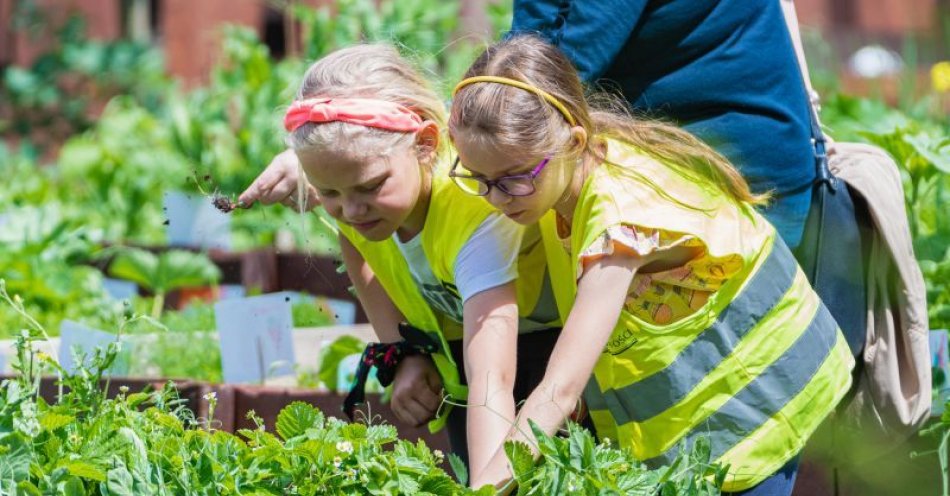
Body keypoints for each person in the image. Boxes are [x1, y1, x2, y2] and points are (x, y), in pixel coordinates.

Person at [447, 35, 855, 495]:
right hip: (700, 422)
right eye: (476, 179)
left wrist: (485, 488)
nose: (495, 199)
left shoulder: (619, 224)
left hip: (761, 406)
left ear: (572, 141)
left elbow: (558, 390)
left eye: (512, 181)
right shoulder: (552, 179)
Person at [242, 43, 563, 473]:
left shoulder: (476, 216)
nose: (351, 211)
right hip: (469, 356)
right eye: (329, 194)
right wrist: (402, 351)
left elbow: (493, 379)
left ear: (427, 144)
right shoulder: (361, 195)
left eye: (370, 187)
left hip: (549, 352)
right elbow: (359, 250)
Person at [508, 0, 867, 356]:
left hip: (739, 189)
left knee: (501, 239)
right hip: (709, 166)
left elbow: (552, 82)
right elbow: (529, 60)